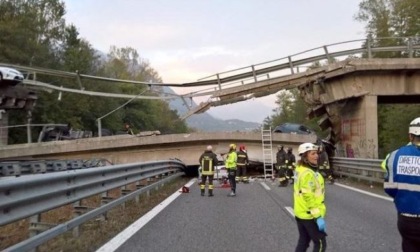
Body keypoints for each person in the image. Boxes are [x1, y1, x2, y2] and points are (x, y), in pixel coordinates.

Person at [381, 117, 420, 252]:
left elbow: (389, 188)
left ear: (410, 136)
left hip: (406, 219)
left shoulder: (394, 155)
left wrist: (404, 198)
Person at [294, 142, 327, 252]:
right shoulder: (308, 173)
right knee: (320, 242)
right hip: (310, 215)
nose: (316, 156)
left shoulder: (300, 169)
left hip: (300, 213)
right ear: (305, 156)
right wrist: (317, 216)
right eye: (312, 154)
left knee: (303, 241)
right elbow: (309, 197)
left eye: (316, 153)